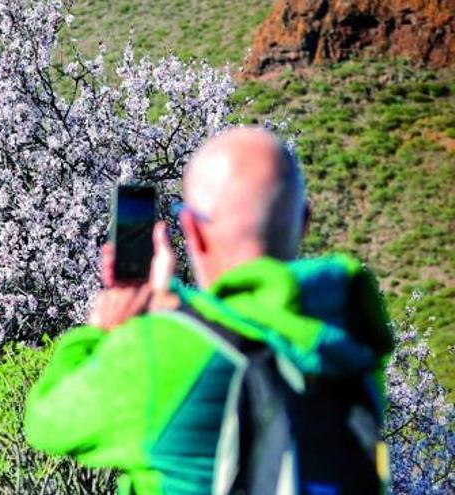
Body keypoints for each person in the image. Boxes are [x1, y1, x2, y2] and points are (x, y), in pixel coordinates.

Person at [23, 127, 393, 494]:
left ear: (192, 230)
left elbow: (46, 420)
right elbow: (247, 325)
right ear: (304, 223)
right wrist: (173, 303)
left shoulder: (156, 354)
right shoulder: (348, 337)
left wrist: (102, 329)